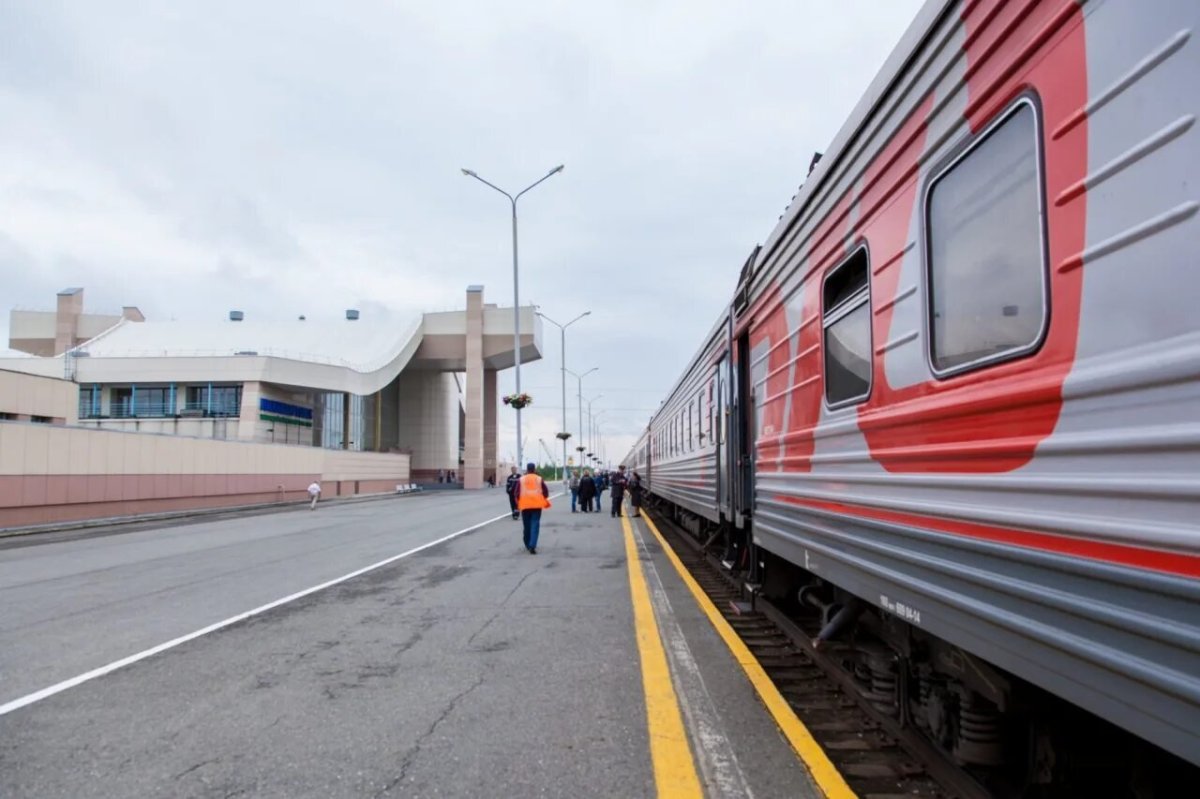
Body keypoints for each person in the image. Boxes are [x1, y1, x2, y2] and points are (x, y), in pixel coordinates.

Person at [516, 462, 550, 554]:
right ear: (534, 469)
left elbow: (517, 493)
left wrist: (518, 503)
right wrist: (543, 498)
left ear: (527, 469)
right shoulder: (539, 479)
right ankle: (532, 545)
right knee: (535, 525)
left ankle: (527, 544)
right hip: (536, 506)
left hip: (525, 506)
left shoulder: (521, 479)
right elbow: (546, 491)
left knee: (527, 526)